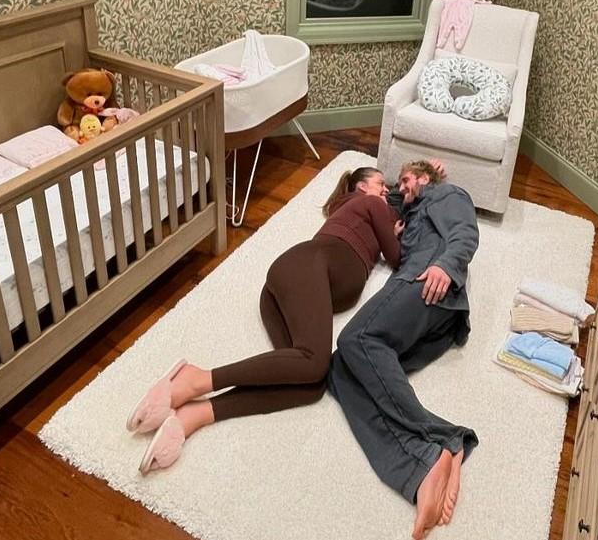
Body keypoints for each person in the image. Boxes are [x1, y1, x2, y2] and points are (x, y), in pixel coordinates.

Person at [128, 166, 405, 474]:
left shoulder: (353, 211)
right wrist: (395, 231)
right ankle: (197, 379)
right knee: (315, 362)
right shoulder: (370, 203)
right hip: (305, 267)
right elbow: (396, 257)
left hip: (284, 285)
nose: (386, 190)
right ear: (361, 187)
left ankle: (195, 415)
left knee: (311, 384)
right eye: (381, 183)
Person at [327, 160, 480, 540]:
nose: (399, 187)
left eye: (407, 180)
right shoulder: (409, 208)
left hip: (428, 280)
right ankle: (420, 466)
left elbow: (465, 230)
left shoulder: (445, 193)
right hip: (425, 308)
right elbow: (384, 194)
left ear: (425, 179)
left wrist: (447, 265)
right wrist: (403, 196)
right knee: (339, 369)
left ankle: (444, 437)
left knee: (354, 340)